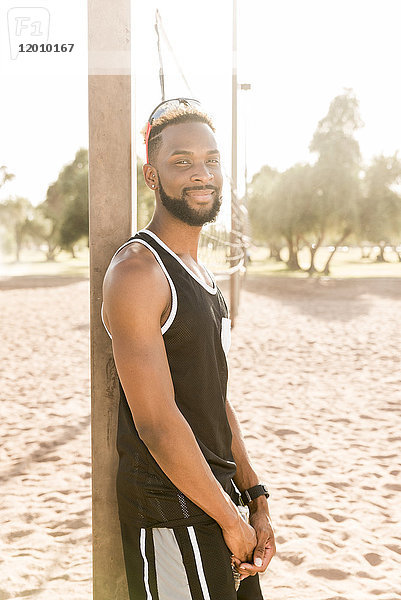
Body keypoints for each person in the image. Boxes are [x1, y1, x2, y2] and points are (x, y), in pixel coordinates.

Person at [101, 98, 276, 600]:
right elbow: (156, 423)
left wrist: (255, 497)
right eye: (182, 161)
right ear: (151, 175)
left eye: (212, 160)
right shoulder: (139, 271)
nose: (202, 173)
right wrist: (231, 520)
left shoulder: (201, 275)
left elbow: (214, 399)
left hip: (219, 507)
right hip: (171, 517)